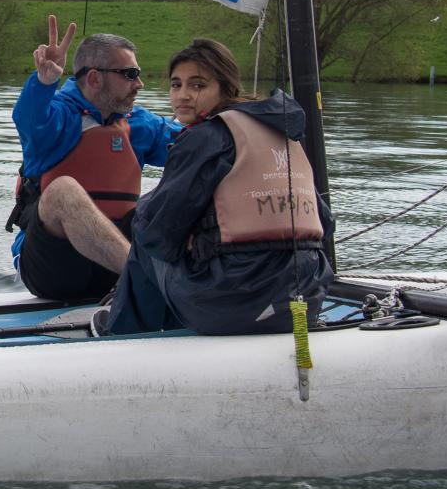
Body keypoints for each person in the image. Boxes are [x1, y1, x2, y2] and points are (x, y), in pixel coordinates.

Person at [105, 38, 335, 336]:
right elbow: (325, 223)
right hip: (304, 300)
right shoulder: (283, 135)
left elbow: (158, 232)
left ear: (226, 88)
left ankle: (125, 335)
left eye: (198, 85)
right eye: (176, 85)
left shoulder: (205, 137)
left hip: (232, 307)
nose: (183, 95)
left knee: (144, 227)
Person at [8, 15, 180, 302]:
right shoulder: (56, 117)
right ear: (94, 78)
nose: (139, 84)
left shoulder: (138, 123)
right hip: (55, 269)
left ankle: (206, 280)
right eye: (129, 74)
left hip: (113, 269)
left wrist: (233, 115)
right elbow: (28, 118)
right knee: (62, 191)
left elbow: (195, 144)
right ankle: (150, 280)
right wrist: (43, 83)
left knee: (185, 185)